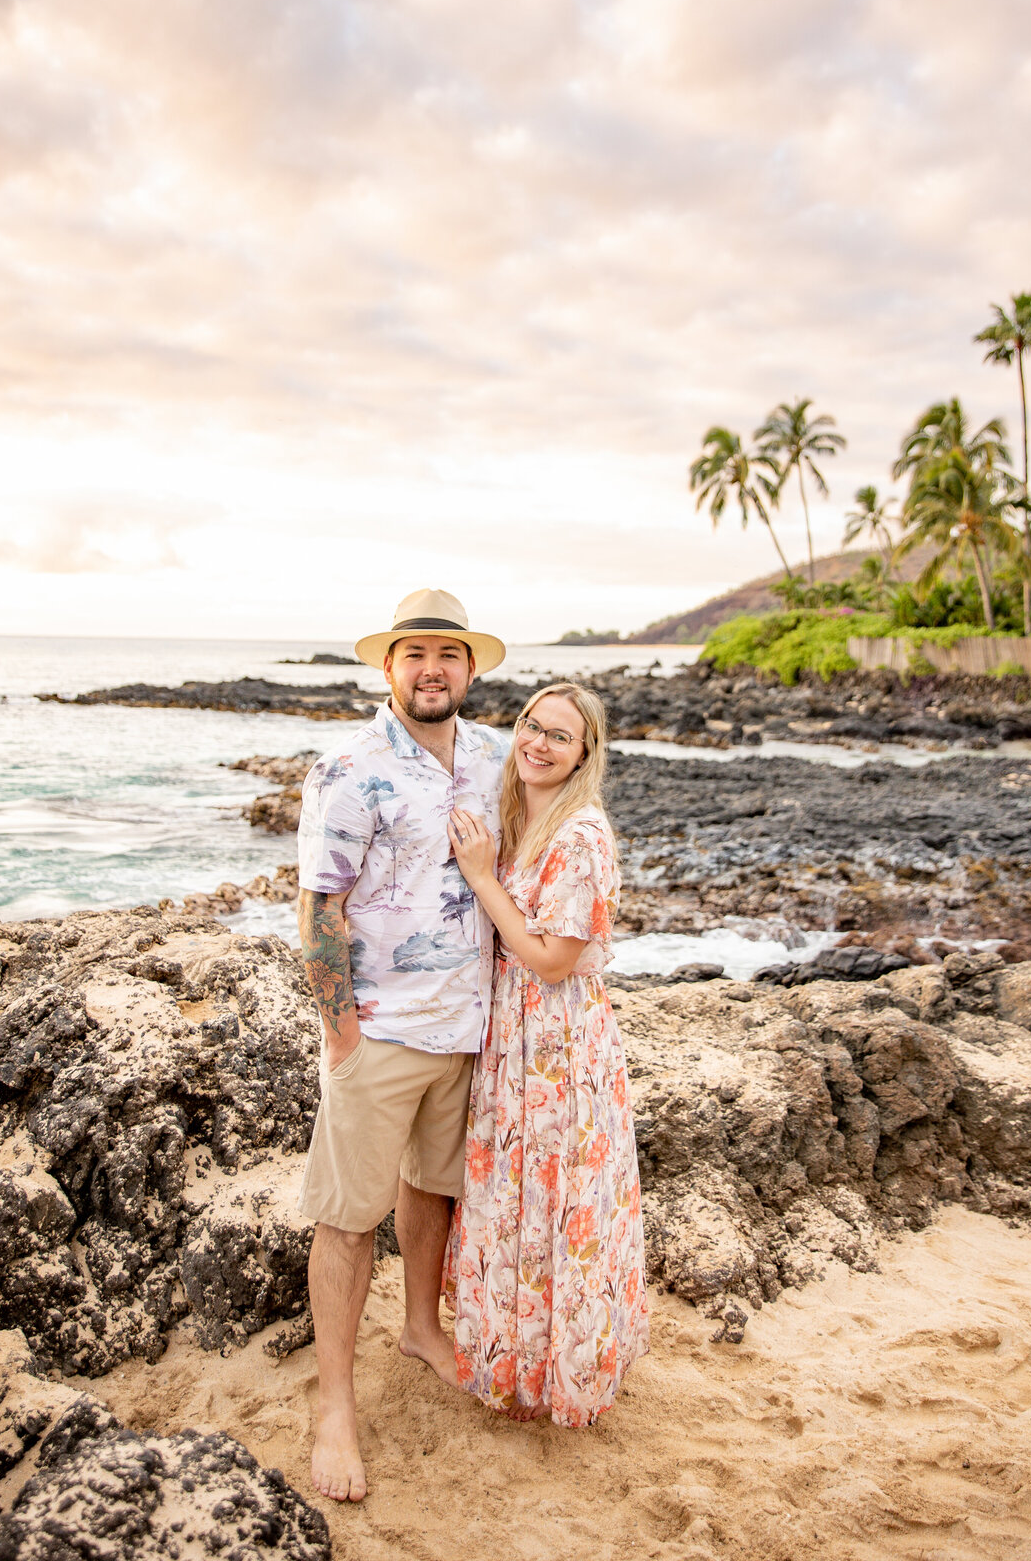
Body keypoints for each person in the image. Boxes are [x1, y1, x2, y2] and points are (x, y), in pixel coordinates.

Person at [295, 589, 507, 1503]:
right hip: (380, 1031)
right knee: (347, 1217)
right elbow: (318, 908)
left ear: (470, 669)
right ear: (388, 668)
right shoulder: (347, 766)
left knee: (435, 1188)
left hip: (475, 1028)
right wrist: (342, 1031)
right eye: (415, 653)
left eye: (449, 654)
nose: (432, 669)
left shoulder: (498, 759)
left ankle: (422, 1326)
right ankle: (333, 1406)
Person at [445, 681, 650, 1426]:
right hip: (515, 1039)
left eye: (559, 736)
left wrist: (479, 877)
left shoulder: (580, 835)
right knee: (515, 1197)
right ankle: (518, 1365)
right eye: (531, 724)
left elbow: (552, 958)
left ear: (584, 754)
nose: (536, 741)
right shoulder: (519, 816)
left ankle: (557, 1371)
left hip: (559, 1044)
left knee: (557, 1201)